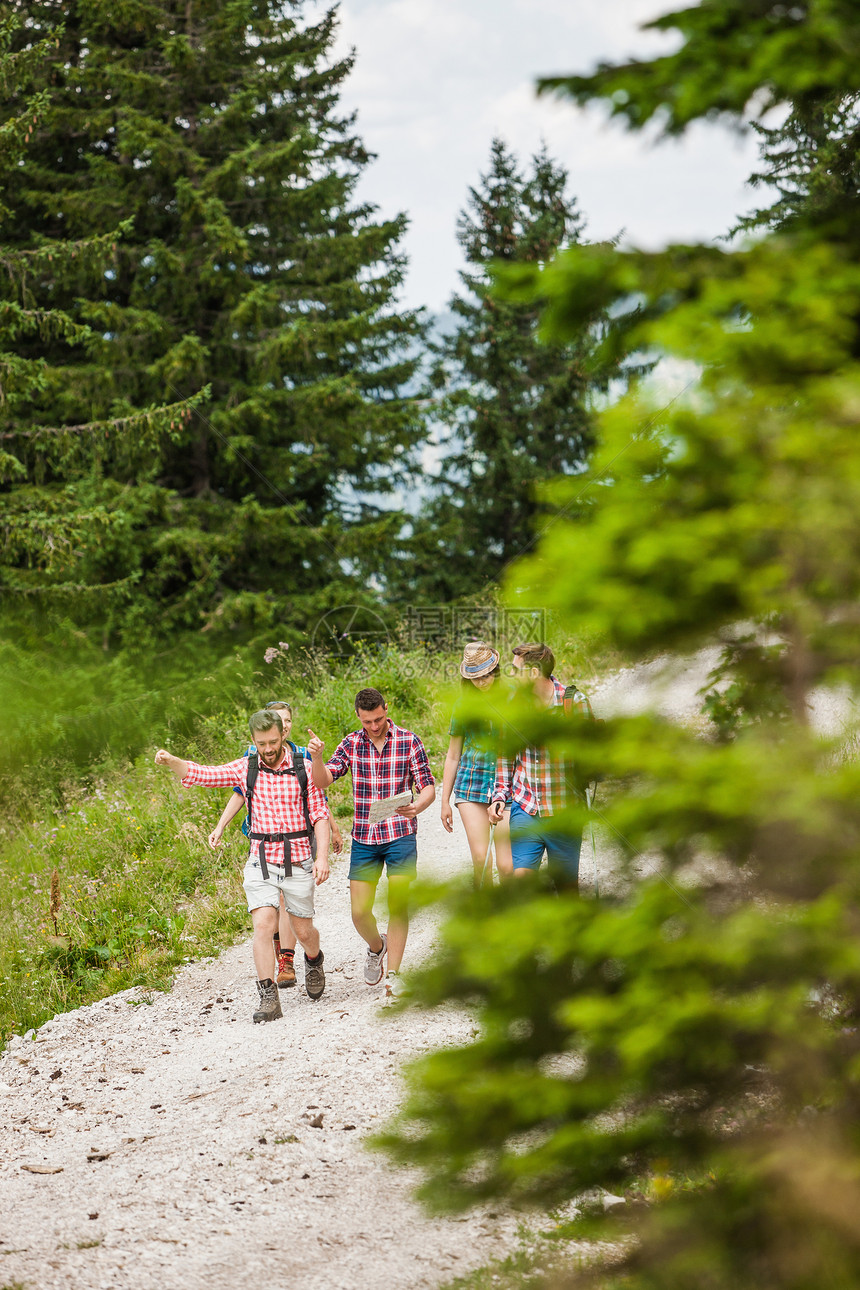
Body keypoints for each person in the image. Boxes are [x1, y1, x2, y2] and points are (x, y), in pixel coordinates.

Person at [155, 708, 331, 1021]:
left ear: (283, 735)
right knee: (263, 925)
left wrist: (321, 857)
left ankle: (314, 961)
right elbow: (206, 775)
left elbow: (318, 814)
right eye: (262, 743)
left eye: (273, 741)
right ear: (253, 740)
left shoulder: (303, 767)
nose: (268, 749)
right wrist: (173, 763)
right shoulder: (246, 767)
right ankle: (268, 997)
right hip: (260, 860)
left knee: (304, 931)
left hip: (297, 856)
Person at [306, 687, 435, 998]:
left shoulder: (408, 740)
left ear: (386, 709)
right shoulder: (351, 743)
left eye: (378, 719)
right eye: (368, 722)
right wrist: (317, 757)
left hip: (401, 833)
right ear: (358, 717)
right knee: (359, 913)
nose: (374, 726)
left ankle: (395, 974)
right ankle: (377, 947)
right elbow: (323, 780)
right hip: (365, 837)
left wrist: (418, 806)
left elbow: (428, 786)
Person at [208, 699, 343, 989]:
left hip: (299, 842)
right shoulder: (251, 759)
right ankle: (278, 973)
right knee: (266, 917)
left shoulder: (304, 757)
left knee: (299, 920)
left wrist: (332, 833)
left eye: (287, 722)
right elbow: (237, 791)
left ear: (285, 730)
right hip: (262, 846)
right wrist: (220, 825)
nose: (269, 745)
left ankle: (307, 956)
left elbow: (320, 802)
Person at [489, 642, 590, 891]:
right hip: (526, 808)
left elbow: (591, 755)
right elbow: (504, 755)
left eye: (516, 670)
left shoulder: (574, 702)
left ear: (534, 673)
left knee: (567, 889)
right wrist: (500, 795)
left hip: (564, 812)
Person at [440, 641, 512, 888]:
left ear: (495, 671)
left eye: (486, 675)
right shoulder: (462, 706)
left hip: (506, 788)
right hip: (471, 786)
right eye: (475, 677)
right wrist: (444, 801)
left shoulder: (511, 699)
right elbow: (453, 755)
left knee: (507, 865)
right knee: (481, 859)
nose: (481, 681)